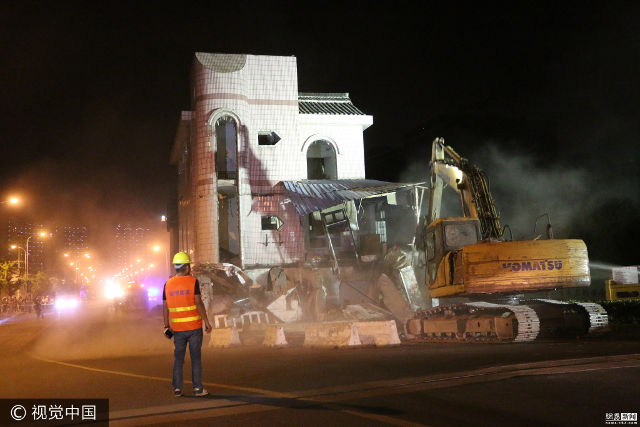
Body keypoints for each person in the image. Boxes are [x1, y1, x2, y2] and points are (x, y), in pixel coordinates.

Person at [163, 252, 212, 397]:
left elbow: (165, 307)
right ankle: (198, 389)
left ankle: (177, 388)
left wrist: (166, 326)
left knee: (178, 359)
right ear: (186, 267)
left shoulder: (167, 284)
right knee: (196, 358)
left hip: (177, 329)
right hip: (194, 328)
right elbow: (198, 302)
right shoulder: (192, 281)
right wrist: (207, 322)